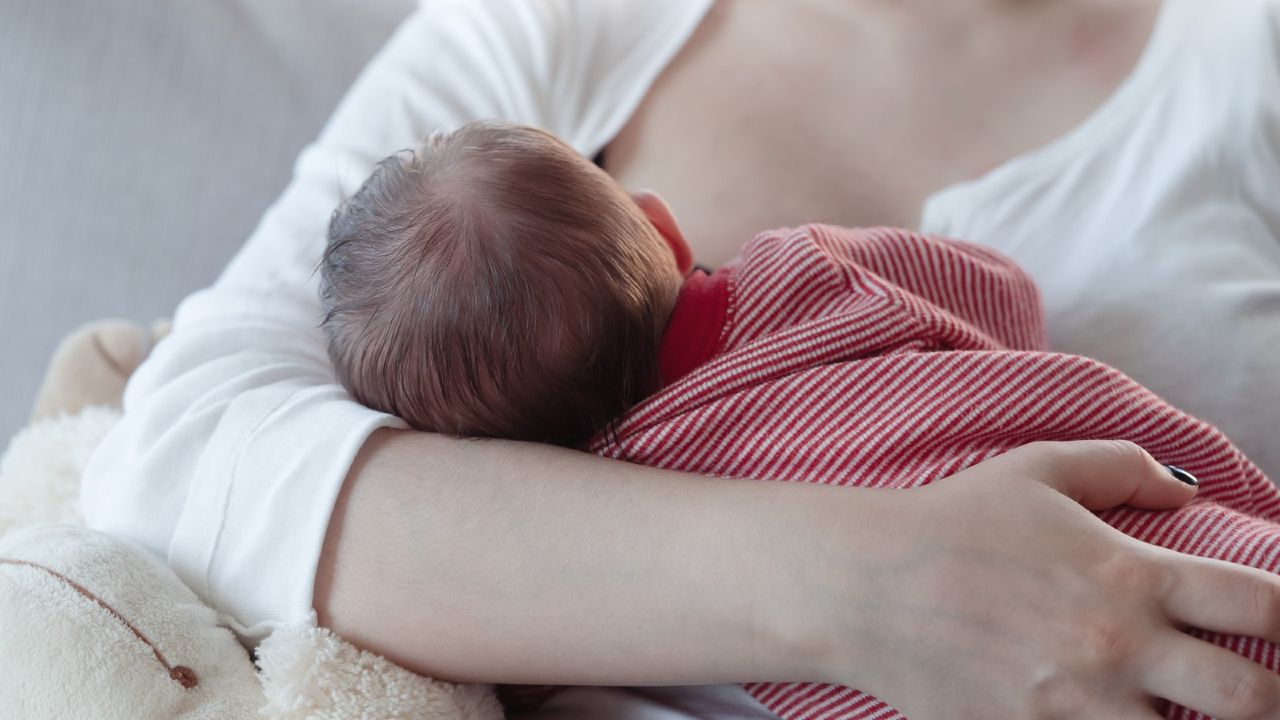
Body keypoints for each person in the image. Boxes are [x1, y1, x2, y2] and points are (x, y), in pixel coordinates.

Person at [80, 1, 1280, 718]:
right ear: (659, 228)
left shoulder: (1237, 59)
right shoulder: (556, 26)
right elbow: (181, 461)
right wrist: (888, 591)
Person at [320, 120, 1280, 719]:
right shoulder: (804, 269)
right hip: (1173, 540)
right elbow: (1001, 295)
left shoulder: (613, 518)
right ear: (660, 227)